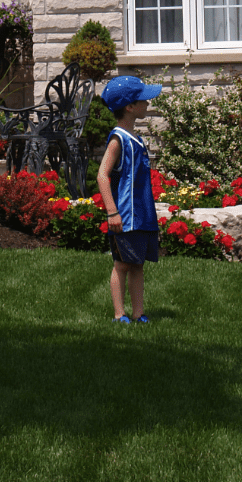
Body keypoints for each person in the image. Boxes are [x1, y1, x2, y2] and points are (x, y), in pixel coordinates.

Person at [97, 75, 163, 324]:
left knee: (137, 265)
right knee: (121, 265)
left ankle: (138, 313)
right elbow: (102, 175)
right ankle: (119, 314)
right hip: (125, 215)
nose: (148, 104)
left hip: (142, 215)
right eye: (143, 100)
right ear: (130, 107)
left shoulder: (136, 139)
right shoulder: (118, 139)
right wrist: (112, 212)